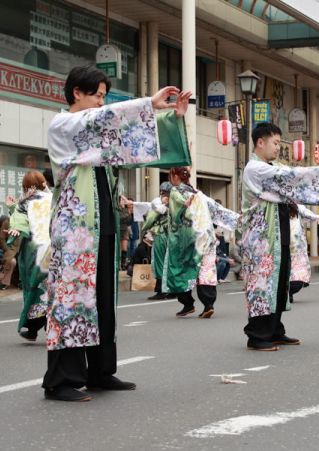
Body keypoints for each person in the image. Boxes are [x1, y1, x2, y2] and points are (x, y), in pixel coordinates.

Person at [42, 65, 192, 401]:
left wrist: (171, 120)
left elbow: (137, 144)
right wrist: (146, 105)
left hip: (104, 228)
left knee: (102, 303)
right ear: (76, 93)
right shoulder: (63, 125)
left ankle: (99, 371)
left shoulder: (99, 135)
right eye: (96, 94)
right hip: (76, 232)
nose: (100, 102)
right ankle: (60, 380)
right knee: (72, 301)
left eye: (104, 97)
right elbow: (103, 121)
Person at [237, 122, 319, 350]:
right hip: (261, 239)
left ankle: (274, 330)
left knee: (279, 283)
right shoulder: (255, 168)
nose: (277, 147)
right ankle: (257, 335)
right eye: (274, 142)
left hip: (278, 234)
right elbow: (290, 175)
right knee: (263, 285)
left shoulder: (272, 165)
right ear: (260, 142)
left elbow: (293, 179)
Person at [163, 166, 240, 318]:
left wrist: (184, 207)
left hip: (185, 240)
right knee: (206, 269)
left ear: (175, 177)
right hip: (206, 237)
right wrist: (238, 219)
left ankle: (187, 303)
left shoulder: (175, 191)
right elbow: (217, 209)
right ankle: (208, 304)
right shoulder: (198, 193)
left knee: (181, 269)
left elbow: (176, 210)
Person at [3, 170, 53, 341]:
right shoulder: (53, 198)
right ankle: (50, 325)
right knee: (52, 287)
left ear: (26, 186)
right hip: (53, 248)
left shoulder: (25, 202)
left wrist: (11, 209)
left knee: (33, 287)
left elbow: (20, 225)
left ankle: (32, 328)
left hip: (34, 251)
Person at [142, 185, 172, 301]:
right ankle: (171, 289)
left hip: (160, 234)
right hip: (172, 234)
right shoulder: (175, 203)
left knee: (160, 262)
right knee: (169, 261)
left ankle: (161, 290)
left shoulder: (157, 203)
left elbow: (149, 219)